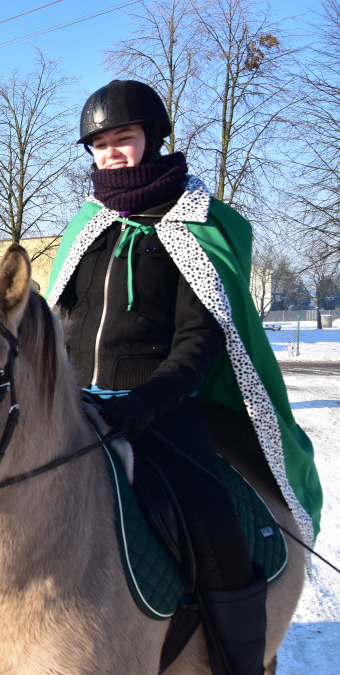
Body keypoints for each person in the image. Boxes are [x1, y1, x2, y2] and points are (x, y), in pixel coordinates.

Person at [46, 80, 322, 675]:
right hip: (77, 403)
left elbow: (201, 341)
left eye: (124, 138)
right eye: (100, 144)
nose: (112, 153)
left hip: (164, 409)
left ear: (153, 138)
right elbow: (59, 325)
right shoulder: (84, 228)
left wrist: (145, 403)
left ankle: (237, 658)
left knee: (213, 526)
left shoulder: (198, 226)